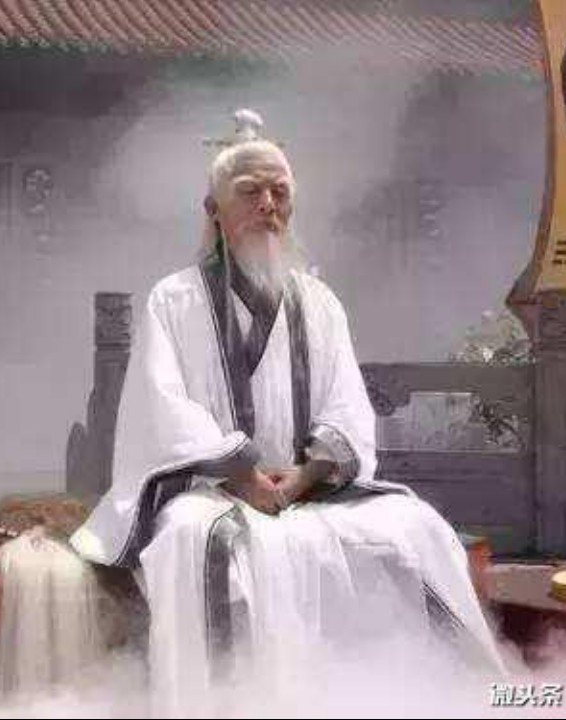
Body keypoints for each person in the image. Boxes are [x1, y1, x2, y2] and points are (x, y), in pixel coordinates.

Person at [70, 110, 502, 715]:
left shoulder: (319, 302)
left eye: (279, 193)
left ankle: (423, 697)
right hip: (211, 489)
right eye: (250, 192)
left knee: (415, 528)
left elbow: (345, 402)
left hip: (306, 488)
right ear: (214, 211)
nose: (268, 205)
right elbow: (163, 406)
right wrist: (242, 474)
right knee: (204, 542)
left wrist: (303, 475)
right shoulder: (174, 299)